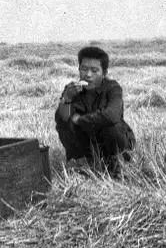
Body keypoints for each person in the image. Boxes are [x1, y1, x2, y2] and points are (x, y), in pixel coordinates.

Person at [54, 46, 135, 174]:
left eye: (94, 70)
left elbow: (112, 115)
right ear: (79, 69)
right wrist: (66, 98)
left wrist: (80, 120)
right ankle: (80, 161)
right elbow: (62, 120)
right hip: (87, 143)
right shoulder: (71, 89)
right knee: (64, 124)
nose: (88, 75)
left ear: (104, 73)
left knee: (111, 126)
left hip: (113, 142)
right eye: (84, 69)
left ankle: (117, 162)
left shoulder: (112, 88)